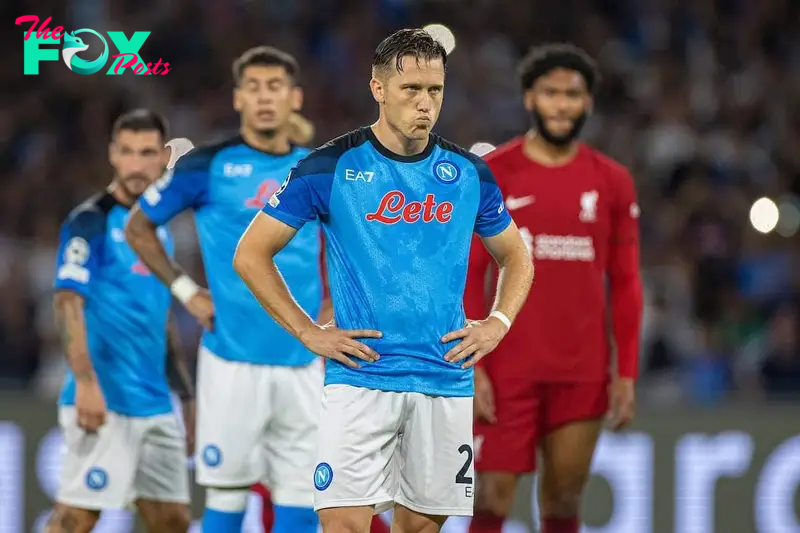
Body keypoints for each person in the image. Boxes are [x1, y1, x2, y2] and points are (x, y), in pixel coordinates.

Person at [233, 28, 534, 533]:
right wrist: (308, 331)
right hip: (361, 378)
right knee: (344, 526)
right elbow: (251, 254)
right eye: (410, 89)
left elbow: (517, 258)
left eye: (434, 90)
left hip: (444, 378)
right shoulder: (329, 167)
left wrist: (498, 322)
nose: (424, 103)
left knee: (418, 529)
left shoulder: (468, 172)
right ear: (378, 89)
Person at [125, 46, 326, 533]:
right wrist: (187, 289)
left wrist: (338, 302)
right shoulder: (208, 166)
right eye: (253, 87)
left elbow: (354, 244)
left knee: (300, 499)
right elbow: (138, 227)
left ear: (294, 98)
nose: (264, 98)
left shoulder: (321, 167)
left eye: (274, 87)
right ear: (238, 98)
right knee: (227, 496)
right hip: (231, 359)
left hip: (304, 360)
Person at [464, 44, 643, 533]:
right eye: (550, 93)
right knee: (490, 495)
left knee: (563, 499)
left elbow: (626, 282)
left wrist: (624, 372)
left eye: (572, 95)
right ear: (529, 99)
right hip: (506, 368)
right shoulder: (494, 173)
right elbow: (470, 273)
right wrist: (475, 364)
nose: (561, 105)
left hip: (581, 368)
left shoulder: (612, 181)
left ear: (587, 103)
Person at [48, 109, 193, 533]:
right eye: (126, 152)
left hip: (155, 403)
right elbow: (66, 302)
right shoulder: (90, 221)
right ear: (113, 155)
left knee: (172, 520)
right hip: (104, 399)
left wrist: (185, 396)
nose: (135, 164)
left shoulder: (158, 230)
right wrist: (87, 384)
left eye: (146, 153)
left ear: (165, 157)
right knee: (77, 518)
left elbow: (160, 317)